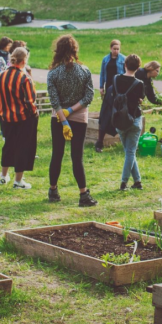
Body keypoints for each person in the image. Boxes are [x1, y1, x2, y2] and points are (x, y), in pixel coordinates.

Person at [47, 35, 97, 207]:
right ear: (75, 50)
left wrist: (64, 119)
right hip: (79, 118)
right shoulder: (84, 71)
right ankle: (83, 195)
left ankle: (53, 191)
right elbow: (89, 96)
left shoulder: (53, 74)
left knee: (57, 154)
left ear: (58, 50)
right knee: (77, 157)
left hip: (58, 118)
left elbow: (54, 101)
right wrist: (72, 111)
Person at [0, 47, 39, 189]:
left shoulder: (1, 75)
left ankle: (4, 175)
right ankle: (18, 181)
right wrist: (34, 113)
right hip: (24, 119)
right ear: (24, 61)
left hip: (6, 119)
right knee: (22, 148)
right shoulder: (25, 78)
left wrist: (2, 113)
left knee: (8, 146)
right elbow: (30, 101)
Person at [113, 54, 146, 191]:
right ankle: (124, 182)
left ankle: (137, 181)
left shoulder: (115, 79)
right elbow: (141, 100)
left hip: (119, 120)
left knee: (128, 152)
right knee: (130, 152)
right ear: (138, 68)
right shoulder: (139, 84)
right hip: (134, 119)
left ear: (124, 65)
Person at [96, 39, 126, 153]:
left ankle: (123, 142)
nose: (116, 51)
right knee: (105, 113)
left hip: (119, 89)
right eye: (114, 49)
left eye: (118, 49)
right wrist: (101, 86)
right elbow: (102, 73)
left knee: (119, 113)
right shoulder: (105, 59)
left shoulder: (123, 59)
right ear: (110, 48)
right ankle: (99, 142)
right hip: (109, 88)